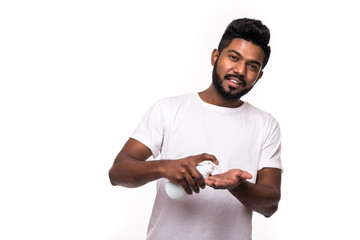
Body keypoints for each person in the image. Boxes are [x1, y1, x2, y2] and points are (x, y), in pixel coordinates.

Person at [109, 18, 282, 240]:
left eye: (252, 66)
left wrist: (237, 186)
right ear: (215, 56)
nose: (240, 70)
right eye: (234, 57)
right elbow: (117, 173)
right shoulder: (168, 110)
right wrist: (164, 167)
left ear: (259, 75)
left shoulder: (266, 125)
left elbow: (270, 204)